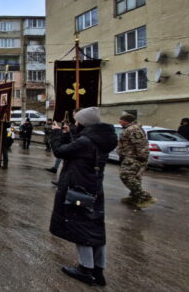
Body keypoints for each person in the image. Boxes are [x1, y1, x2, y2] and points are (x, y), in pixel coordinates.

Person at [49, 107, 117, 287]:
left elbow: (60, 151)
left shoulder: (86, 141)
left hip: (79, 187)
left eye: (78, 120)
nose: (76, 122)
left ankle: (85, 269)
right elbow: (72, 149)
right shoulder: (100, 139)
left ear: (84, 122)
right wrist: (66, 135)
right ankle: (98, 270)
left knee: (81, 228)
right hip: (94, 188)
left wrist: (55, 134)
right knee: (95, 228)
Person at [118, 114, 156, 208]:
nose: (119, 122)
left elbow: (141, 144)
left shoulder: (133, 129)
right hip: (131, 156)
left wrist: (141, 158)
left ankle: (145, 197)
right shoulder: (130, 128)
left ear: (126, 121)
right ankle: (135, 198)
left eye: (120, 120)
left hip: (134, 158)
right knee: (135, 178)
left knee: (126, 176)